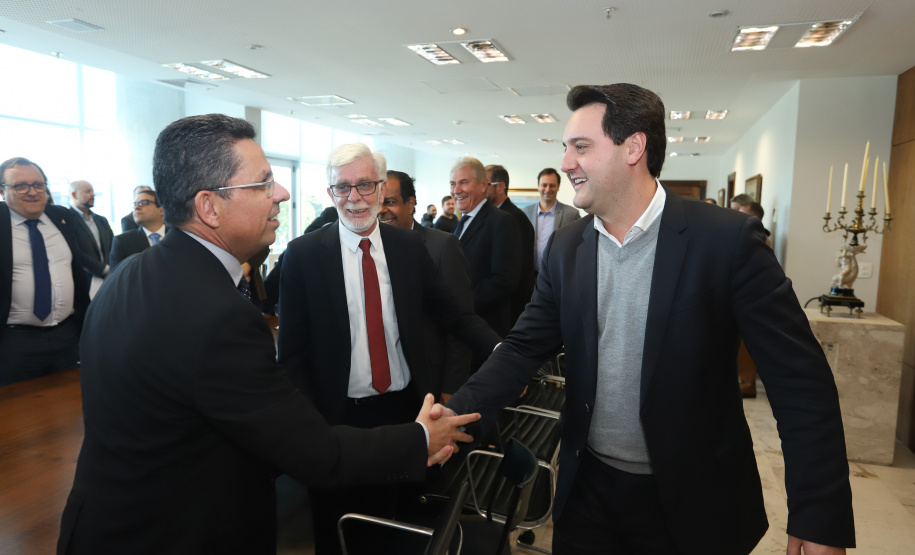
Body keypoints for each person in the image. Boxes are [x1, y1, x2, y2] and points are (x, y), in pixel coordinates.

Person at [445, 83, 854, 555]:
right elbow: (520, 348)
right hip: (588, 496)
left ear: (633, 148)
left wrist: (819, 514)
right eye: (565, 147)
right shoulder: (566, 248)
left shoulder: (726, 241)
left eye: (581, 147)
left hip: (693, 502)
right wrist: (452, 417)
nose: (566, 162)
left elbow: (799, 381)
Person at [57, 115, 479, 555]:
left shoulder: (131, 273)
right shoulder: (220, 316)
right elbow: (315, 454)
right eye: (262, 184)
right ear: (209, 206)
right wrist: (420, 439)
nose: (282, 193)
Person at [277, 144, 501, 554]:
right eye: (343, 187)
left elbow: (455, 315)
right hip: (337, 422)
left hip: (403, 416)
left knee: (395, 528)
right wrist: (312, 428)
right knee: (338, 533)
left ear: (381, 189)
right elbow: (291, 356)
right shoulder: (303, 256)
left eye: (365, 184)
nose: (354, 197)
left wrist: (503, 353)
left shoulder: (408, 248)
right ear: (330, 193)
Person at [379, 170, 475, 400]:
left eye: (390, 202)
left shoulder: (442, 246)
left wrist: (452, 388)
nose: (381, 210)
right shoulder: (368, 249)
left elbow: (460, 322)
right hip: (381, 381)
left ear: (410, 203)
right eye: (377, 203)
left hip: (429, 381)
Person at [0, 157, 90, 386]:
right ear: (2, 191)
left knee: (68, 402)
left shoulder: (62, 218)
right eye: (21, 186)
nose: (32, 192)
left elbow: (77, 271)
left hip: (66, 337)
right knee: (17, 406)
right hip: (14, 342)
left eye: (38, 185)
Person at [450, 157, 521, 338]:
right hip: (458, 328)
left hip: (484, 329)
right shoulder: (461, 222)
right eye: (452, 184)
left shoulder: (502, 221)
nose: (456, 190)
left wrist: (461, 304)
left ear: (483, 185)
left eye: (463, 182)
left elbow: (504, 280)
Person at [485, 164, 535, 324]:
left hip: (508, 310)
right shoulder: (494, 216)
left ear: (500, 187)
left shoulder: (513, 218)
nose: (481, 189)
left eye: (485, 184)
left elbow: (519, 272)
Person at [522, 168, 581, 273]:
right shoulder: (525, 213)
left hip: (558, 275)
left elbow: (578, 246)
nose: (548, 189)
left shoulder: (571, 214)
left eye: (552, 185)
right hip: (529, 275)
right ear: (538, 186)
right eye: (544, 185)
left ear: (558, 187)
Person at [68, 180, 113, 299]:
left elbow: (113, 247)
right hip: (84, 283)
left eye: (92, 191)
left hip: (109, 280)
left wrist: (111, 269)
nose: (93, 194)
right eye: (88, 191)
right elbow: (75, 252)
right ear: (74, 195)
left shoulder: (101, 220)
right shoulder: (68, 220)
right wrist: (104, 270)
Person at [109, 189, 168, 271]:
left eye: (143, 203)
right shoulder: (122, 242)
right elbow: (116, 277)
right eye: (135, 204)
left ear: (161, 209)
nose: (136, 207)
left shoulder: (179, 236)